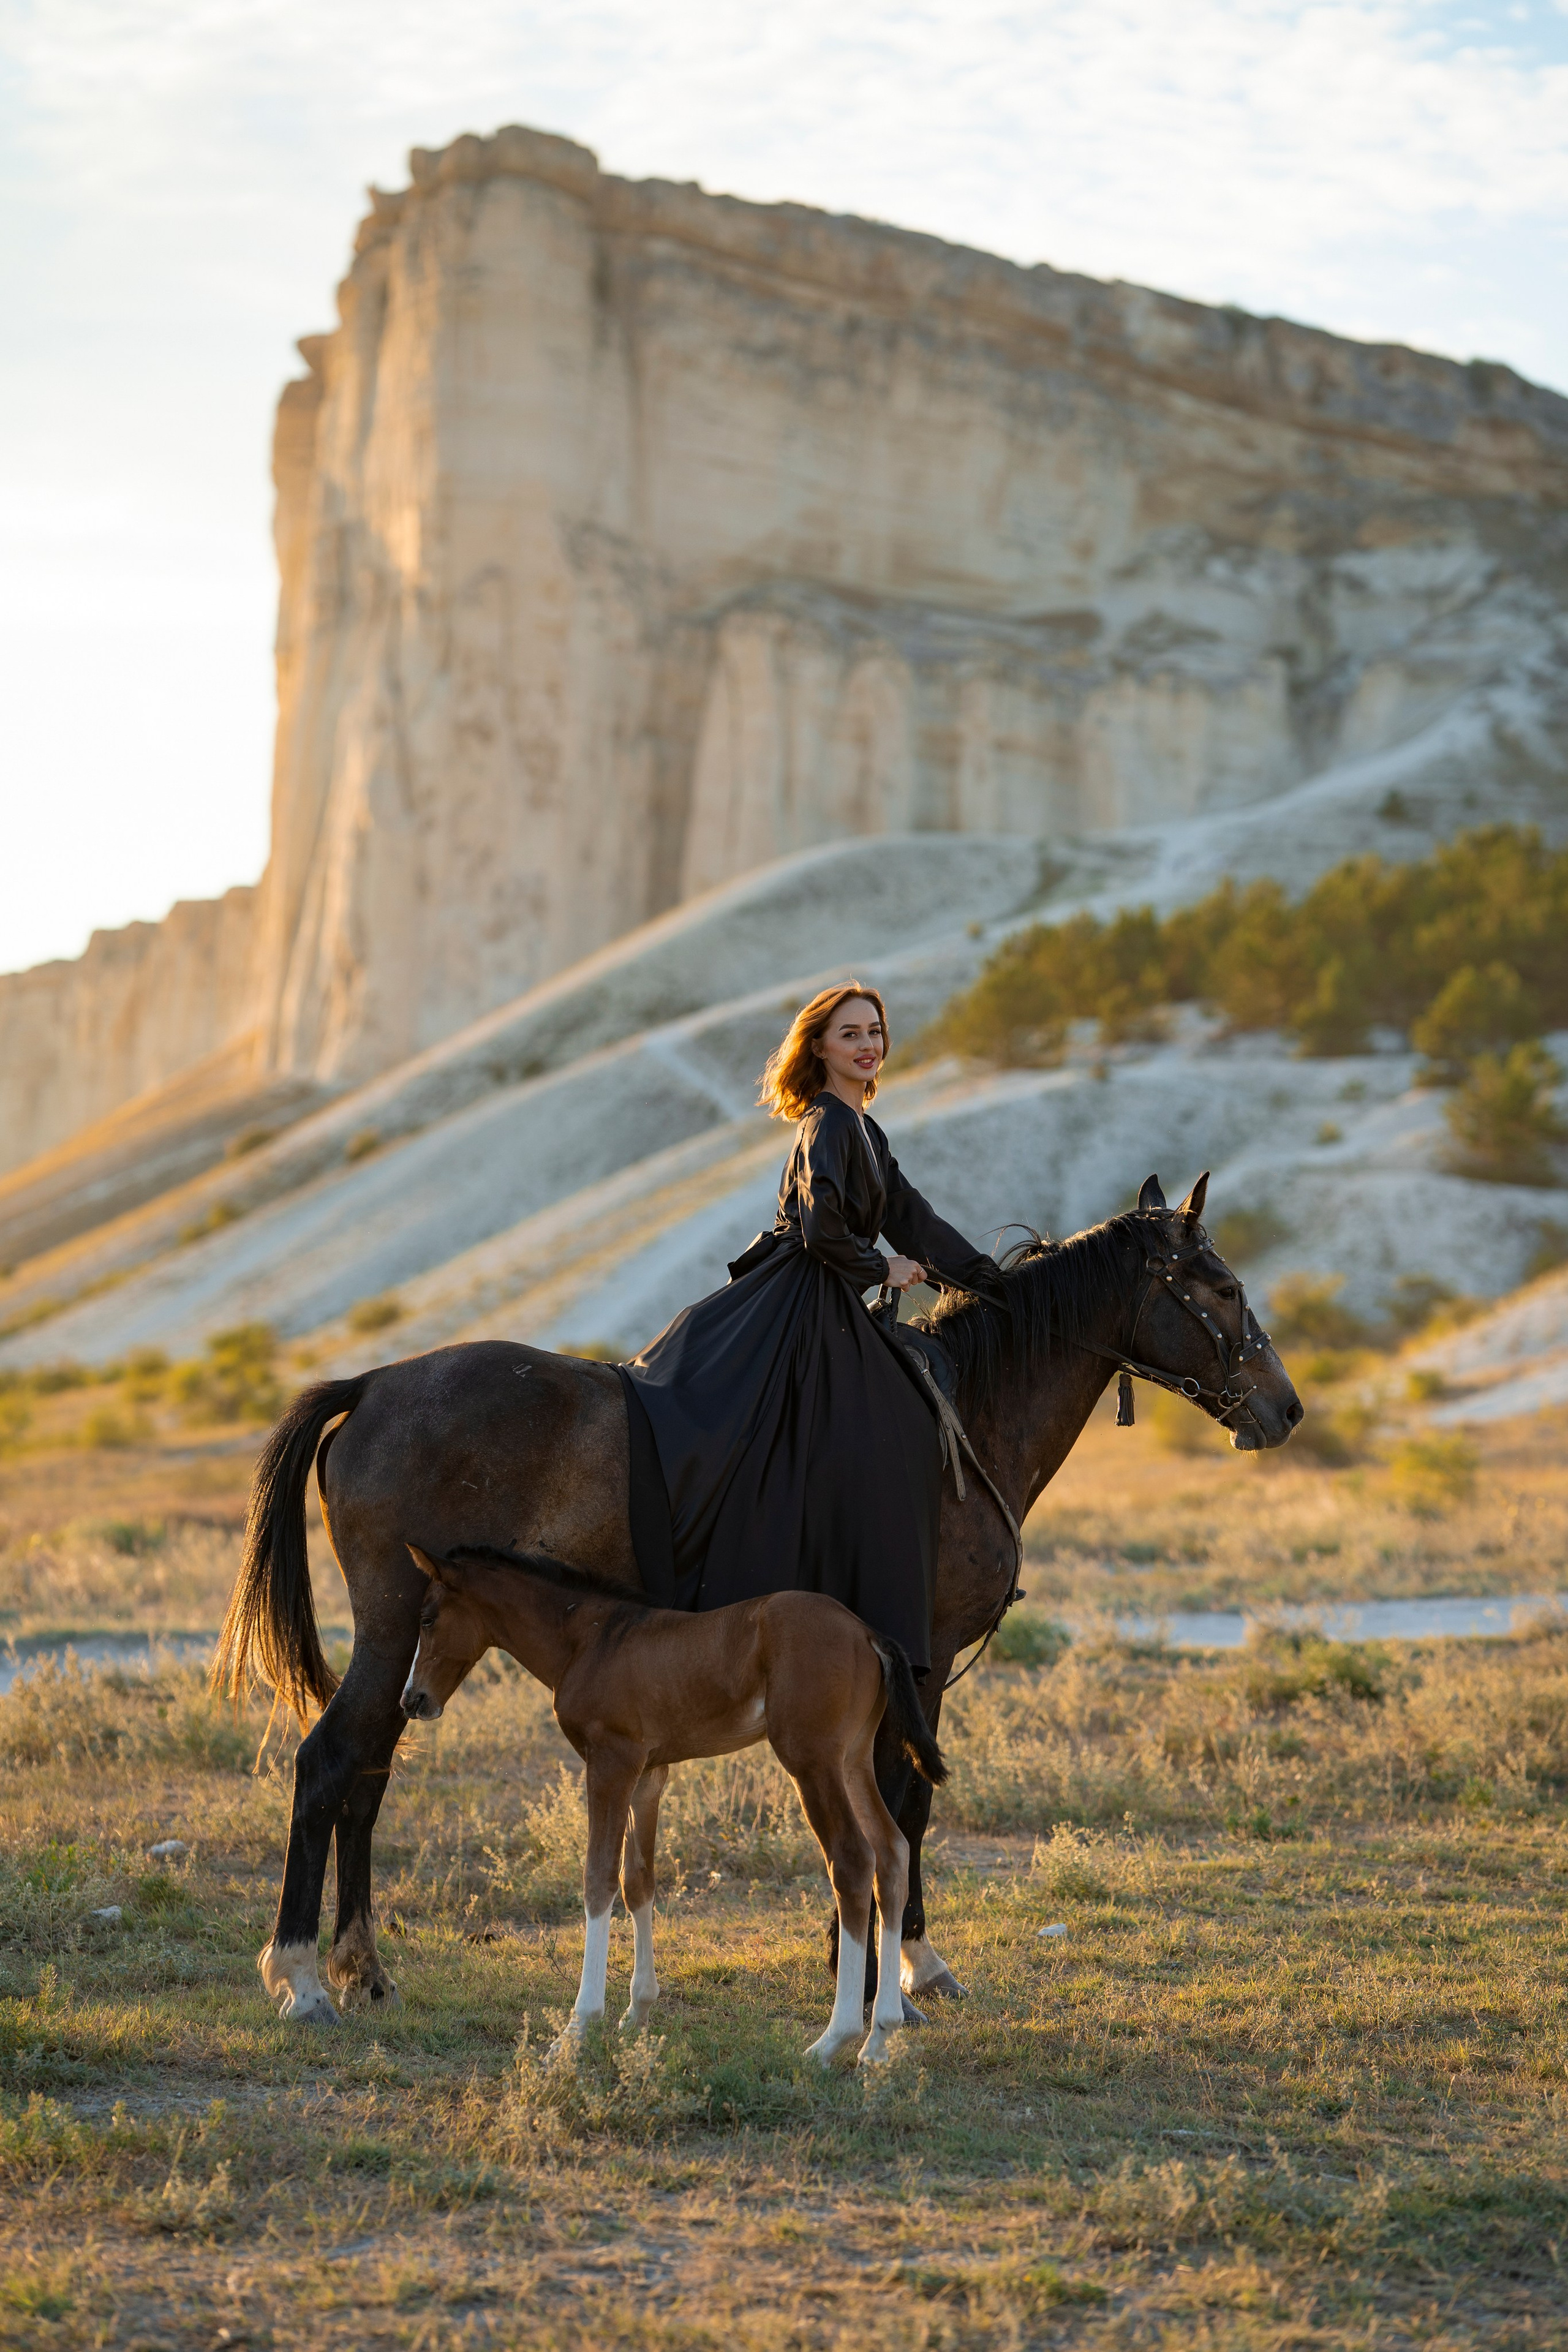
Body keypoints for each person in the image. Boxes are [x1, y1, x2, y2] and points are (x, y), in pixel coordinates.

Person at [617, 982, 1005, 1673]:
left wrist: (991, 1282)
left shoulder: (866, 1130)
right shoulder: (826, 1122)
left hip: (830, 1296)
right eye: (850, 1033)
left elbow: (913, 1219)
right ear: (819, 1047)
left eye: (874, 1031)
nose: (867, 1045)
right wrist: (880, 1268)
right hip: (800, 1297)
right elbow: (822, 1227)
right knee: (872, 1435)